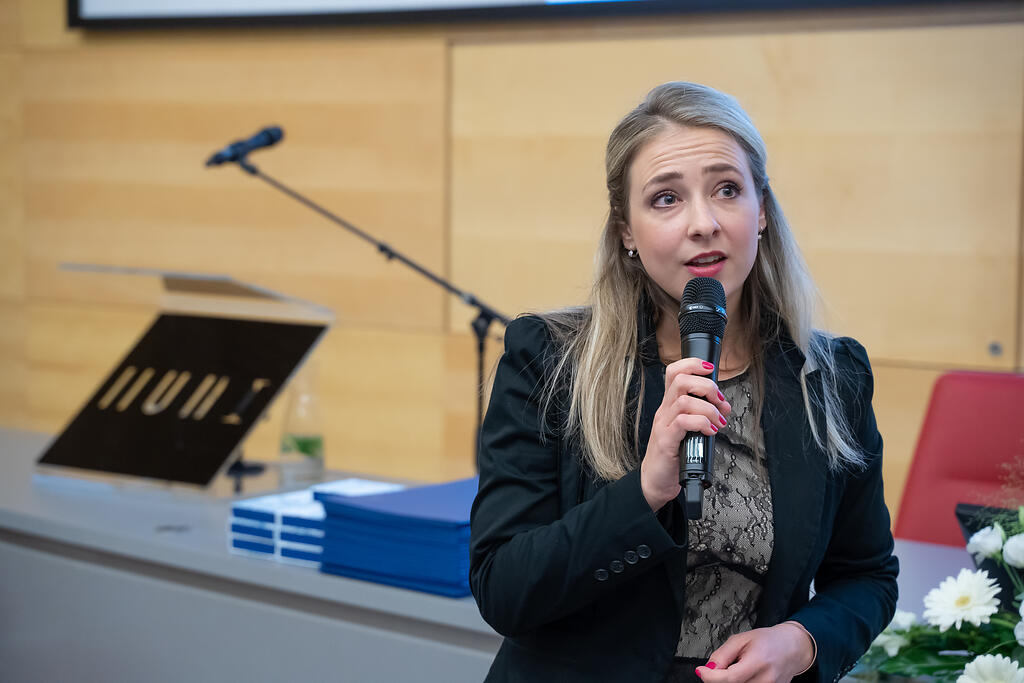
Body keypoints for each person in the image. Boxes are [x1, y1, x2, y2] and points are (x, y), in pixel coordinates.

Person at [469, 81, 898, 683]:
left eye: (727, 189)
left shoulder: (831, 376)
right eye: (666, 199)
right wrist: (645, 492)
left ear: (762, 210)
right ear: (626, 231)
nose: (704, 223)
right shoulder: (550, 360)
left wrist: (803, 641)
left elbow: (867, 576)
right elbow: (504, 589)